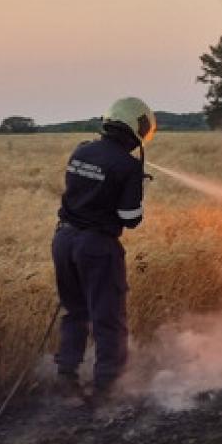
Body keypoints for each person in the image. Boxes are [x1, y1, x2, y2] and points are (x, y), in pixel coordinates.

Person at [52, 97, 155, 401]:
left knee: (75, 311)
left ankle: (66, 377)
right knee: (108, 317)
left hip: (63, 241)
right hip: (96, 247)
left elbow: (81, 191)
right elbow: (130, 219)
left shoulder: (82, 150)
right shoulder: (128, 166)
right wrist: (135, 189)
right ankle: (108, 388)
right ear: (137, 128)